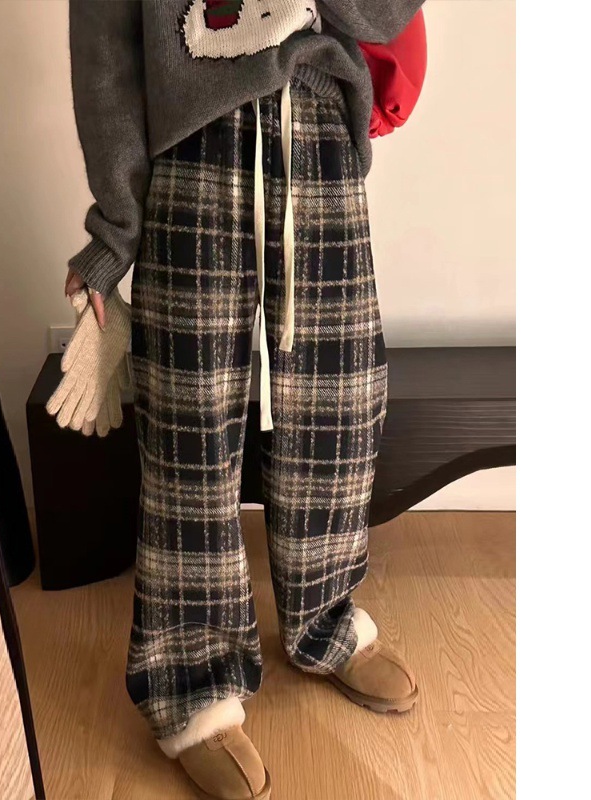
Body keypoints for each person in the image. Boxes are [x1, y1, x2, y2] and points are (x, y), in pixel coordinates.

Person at [58, 3, 425, 798]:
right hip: (190, 149)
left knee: (339, 404)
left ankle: (324, 617)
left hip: (319, 133)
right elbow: (106, 51)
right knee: (187, 425)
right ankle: (190, 683)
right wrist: (115, 231)